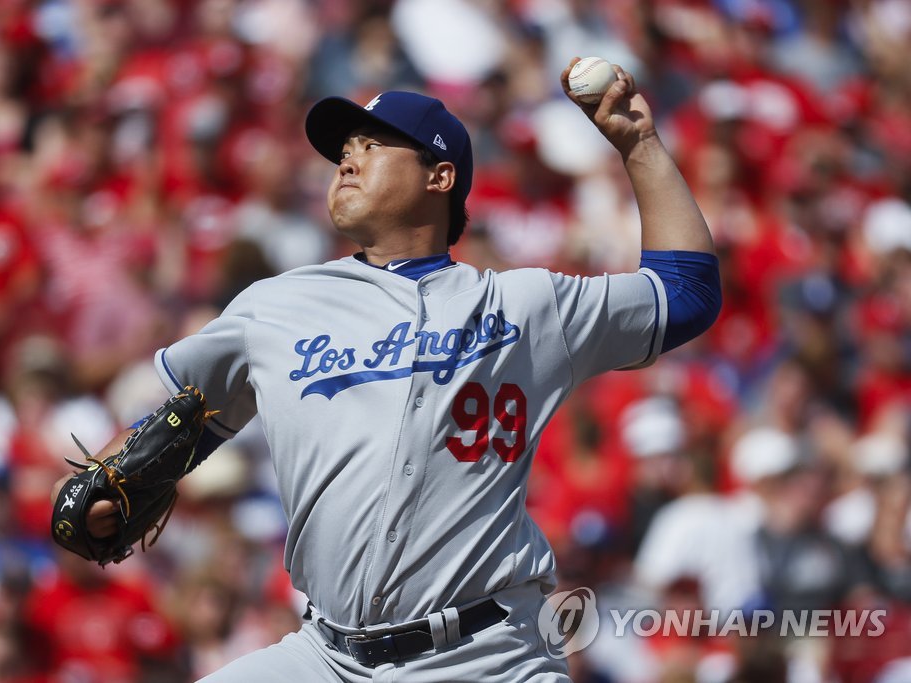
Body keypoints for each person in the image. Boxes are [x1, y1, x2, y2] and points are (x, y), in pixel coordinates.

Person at [64, 57, 721, 681]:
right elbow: (176, 427)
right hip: (326, 657)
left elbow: (686, 293)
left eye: (374, 144)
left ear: (440, 177)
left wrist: (638, 145)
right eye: (344, 149)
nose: (348, 158)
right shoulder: (274, 306)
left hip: (486, 654)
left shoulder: (525, 304)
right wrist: (104, 485)